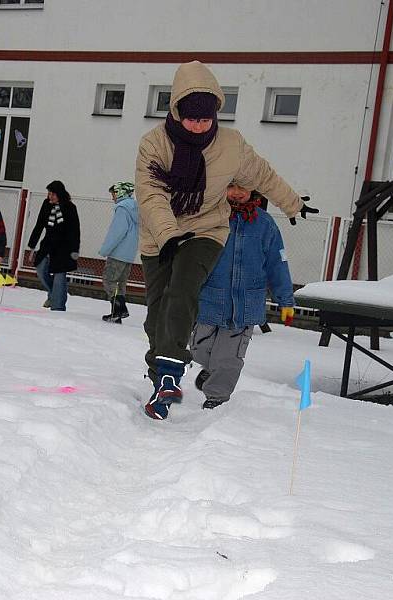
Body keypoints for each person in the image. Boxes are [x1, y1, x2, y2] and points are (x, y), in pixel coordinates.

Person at [135, 60, 317, 420]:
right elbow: (151, 193)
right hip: (159, 235)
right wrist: (169, 234)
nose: (199, 125)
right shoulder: (155, 144)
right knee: (157, 313)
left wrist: (292, 202)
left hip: (206, 230)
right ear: (177, 112)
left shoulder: (230, 144)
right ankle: (161, 378)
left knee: (182, 289)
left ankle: (171, 372)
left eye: (206, 118)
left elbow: (262, 174)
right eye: (192, 118)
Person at [191, 184, 295, 409]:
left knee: (229, 358)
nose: (238, 193)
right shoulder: (209, 216)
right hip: (210, 298)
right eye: (231, 187)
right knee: (198, 349)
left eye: (244, 188)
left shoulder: (264, 223)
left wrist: (285, 299)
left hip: (246, 304)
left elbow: (278, 262)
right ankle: (211, 369)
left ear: (254, 191)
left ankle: (216, 399)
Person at [27, 180, 81, 312]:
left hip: (64, 247)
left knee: (59, 276)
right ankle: (54, 294)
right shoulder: (46, 205)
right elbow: (39, 225)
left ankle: (58, 306)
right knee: (40, 268)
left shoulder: (70, 207)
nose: (49, 196)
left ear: (60, 194)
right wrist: (32, 246)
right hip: (48, 243)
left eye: (53, 194)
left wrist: (75, 250)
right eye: (49, 193)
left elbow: (75, 230)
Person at [99, 181, 139, 324]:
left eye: (113, 194)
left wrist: (105, 249)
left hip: (118, 253)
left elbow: (117, 232)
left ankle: (119, 309)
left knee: (109, 280)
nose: (112, 198)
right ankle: (117, 313)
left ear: (120, 192)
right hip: (129, 254)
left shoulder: (122, 209)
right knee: (120, 283)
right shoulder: (135, 208)